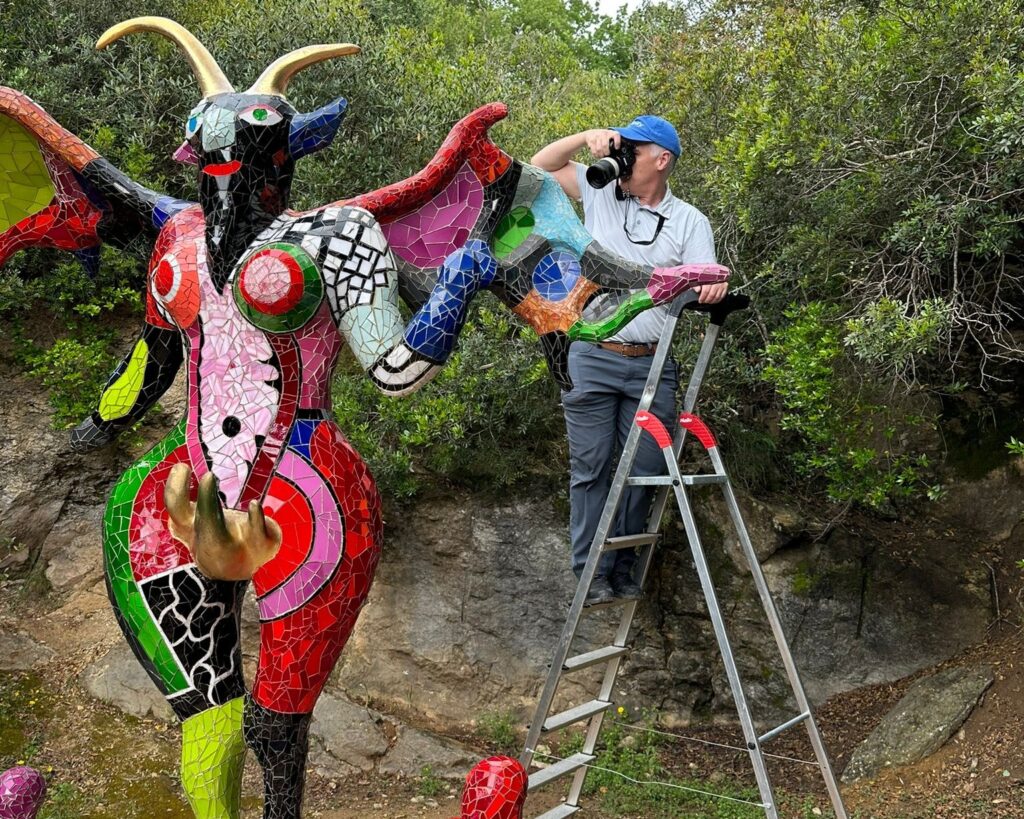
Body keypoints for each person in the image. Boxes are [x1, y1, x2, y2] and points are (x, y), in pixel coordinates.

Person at [531, 115, 727, 605]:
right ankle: (589, 574)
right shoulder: (600, 189)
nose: (622, 156)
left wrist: (713, 283)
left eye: (633, 149)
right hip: (591, 354)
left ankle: (620, 567)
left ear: (661, 161)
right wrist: (586, 136)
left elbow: (705, 280)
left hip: (651, 363)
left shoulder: (689, 221)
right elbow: (539, 167)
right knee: (592, 467)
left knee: (644, 469)